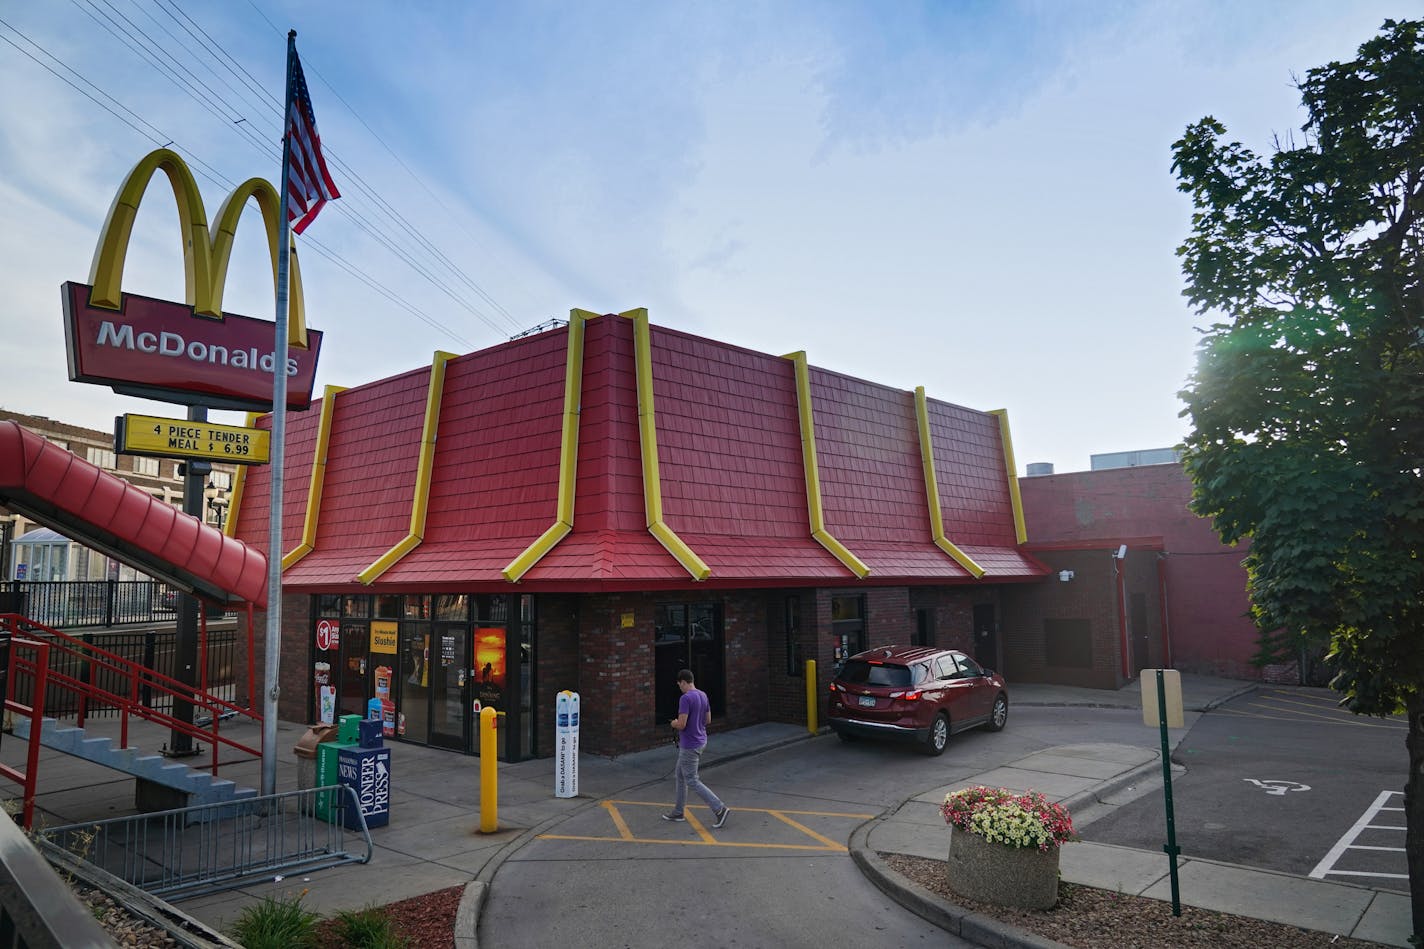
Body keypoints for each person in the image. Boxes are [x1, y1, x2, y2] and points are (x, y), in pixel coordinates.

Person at [663, 668, 730, 828]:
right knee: (680, 775)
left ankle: (719, 808)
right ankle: (679, 812)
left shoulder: (685, 698)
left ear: (684, 682)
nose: (680, 687)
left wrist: (673, 723)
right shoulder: (702, 695)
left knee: (692, 780)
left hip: (690, 745)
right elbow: (708, 720)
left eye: (679, 684)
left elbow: (682, 724)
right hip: (701, 741)